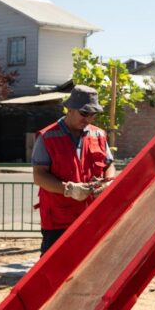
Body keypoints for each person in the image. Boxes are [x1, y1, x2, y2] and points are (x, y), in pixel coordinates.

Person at [32, 85, 116, 255]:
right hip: (58, 219)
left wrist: (109, 182)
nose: (88, 119)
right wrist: (69, 190)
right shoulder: (47, 137)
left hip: (91, 216)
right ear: (69, 109)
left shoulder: (98, 135)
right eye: (84, 113)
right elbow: (39, 176)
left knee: (89, 265)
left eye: (92, 114)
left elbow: (109, 165)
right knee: (55, 266)